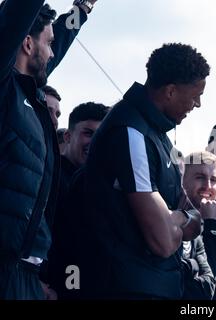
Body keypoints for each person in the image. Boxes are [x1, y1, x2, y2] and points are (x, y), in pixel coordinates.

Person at [79, 43, 210, 299]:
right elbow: (162, 242)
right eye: (196, 95)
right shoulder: (131, 132)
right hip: (128, 288)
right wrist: (181, 220)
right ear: (171, 91)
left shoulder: (158, 134)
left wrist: (177, 218)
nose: (198, 104)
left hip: (158, 285)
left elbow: (195, 218)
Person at [0, 0, 98, 300]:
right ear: (26, 44)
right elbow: (17, 15)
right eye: (49, 43)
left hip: (27, 273)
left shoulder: (27, 92)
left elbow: (54, 50)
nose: (54, 52)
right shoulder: (4, 90)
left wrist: (82, 9)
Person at [46, 102, 109, 299]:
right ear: (68, 136)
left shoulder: (101, 185)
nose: (95, 142)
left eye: (101, 136)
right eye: (88, 133)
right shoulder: (48, 176)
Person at [182, 151, 216, 300]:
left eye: (214, 180)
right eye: (200, 177)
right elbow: (204, 282)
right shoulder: (173, 221)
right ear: (183, 180)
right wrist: (212, 225)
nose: (208, 186)